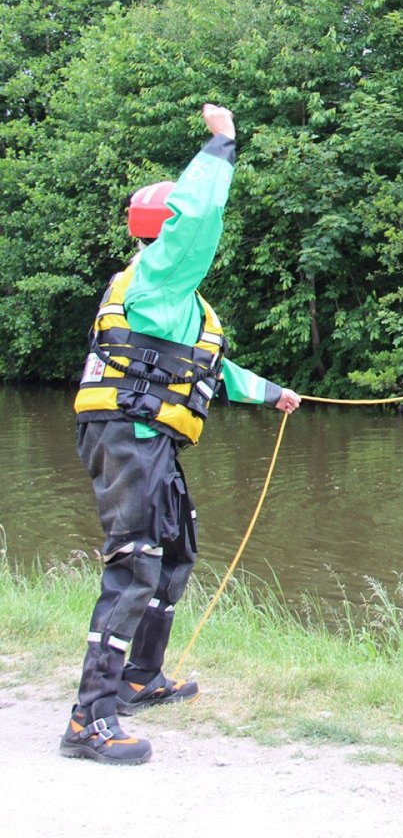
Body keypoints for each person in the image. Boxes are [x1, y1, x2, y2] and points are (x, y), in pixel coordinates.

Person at [61, 104, 301, 765]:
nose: (191, 241)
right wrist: (222, 144)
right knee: (135, 561)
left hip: (148, 436)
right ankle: (90, 718)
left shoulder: (179, 307)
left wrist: (271, 393)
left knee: (174, 548)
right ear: (162, 233)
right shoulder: (160, 277)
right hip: (127, 434)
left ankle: (141, 676)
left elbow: (207, 372)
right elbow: (197, 216)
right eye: (179, 231)